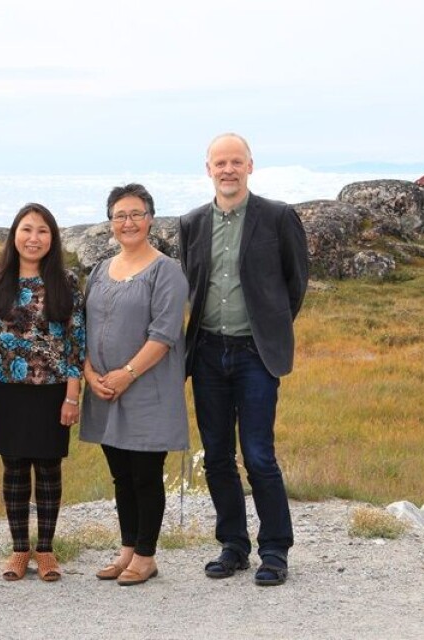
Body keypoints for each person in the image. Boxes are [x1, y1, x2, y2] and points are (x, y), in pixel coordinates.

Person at [178, 133, 309, 587]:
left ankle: (274, 550)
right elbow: (190, 285)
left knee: (258, 455)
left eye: (236, 161)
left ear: (250, 166)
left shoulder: (277, 217)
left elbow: (295, 283)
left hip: (256, 353)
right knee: (216, 455)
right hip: (208, 352)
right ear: (208, 169)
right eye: (221, 162)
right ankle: (233, 545)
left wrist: (269, 328)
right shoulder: (192, 223)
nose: (228, 169)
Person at [0, 203, 85, 582]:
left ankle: (47, 551)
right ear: (14, 235)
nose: (34, 238)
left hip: (52, 390)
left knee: (49, 467)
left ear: (52, 238)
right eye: (27, 230)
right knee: (15, 467)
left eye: (42, 231)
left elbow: (75, 341)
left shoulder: (65, 282)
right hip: (5, 388)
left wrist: (72, 394)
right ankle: (20, 550)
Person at [79, 184, 189, 586]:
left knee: (145, 474)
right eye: (120, 215)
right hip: (105, 391)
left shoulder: (166, 271)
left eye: (136, 214)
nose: (128, 222)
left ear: (150, 219)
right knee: (121, 476)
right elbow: (84, 330)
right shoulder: (99, 270)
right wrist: (92, 375)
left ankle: (146, 555)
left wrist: (126, 373)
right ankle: (127, 549)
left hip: (146, 390)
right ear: (111, 222)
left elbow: (164, 335)